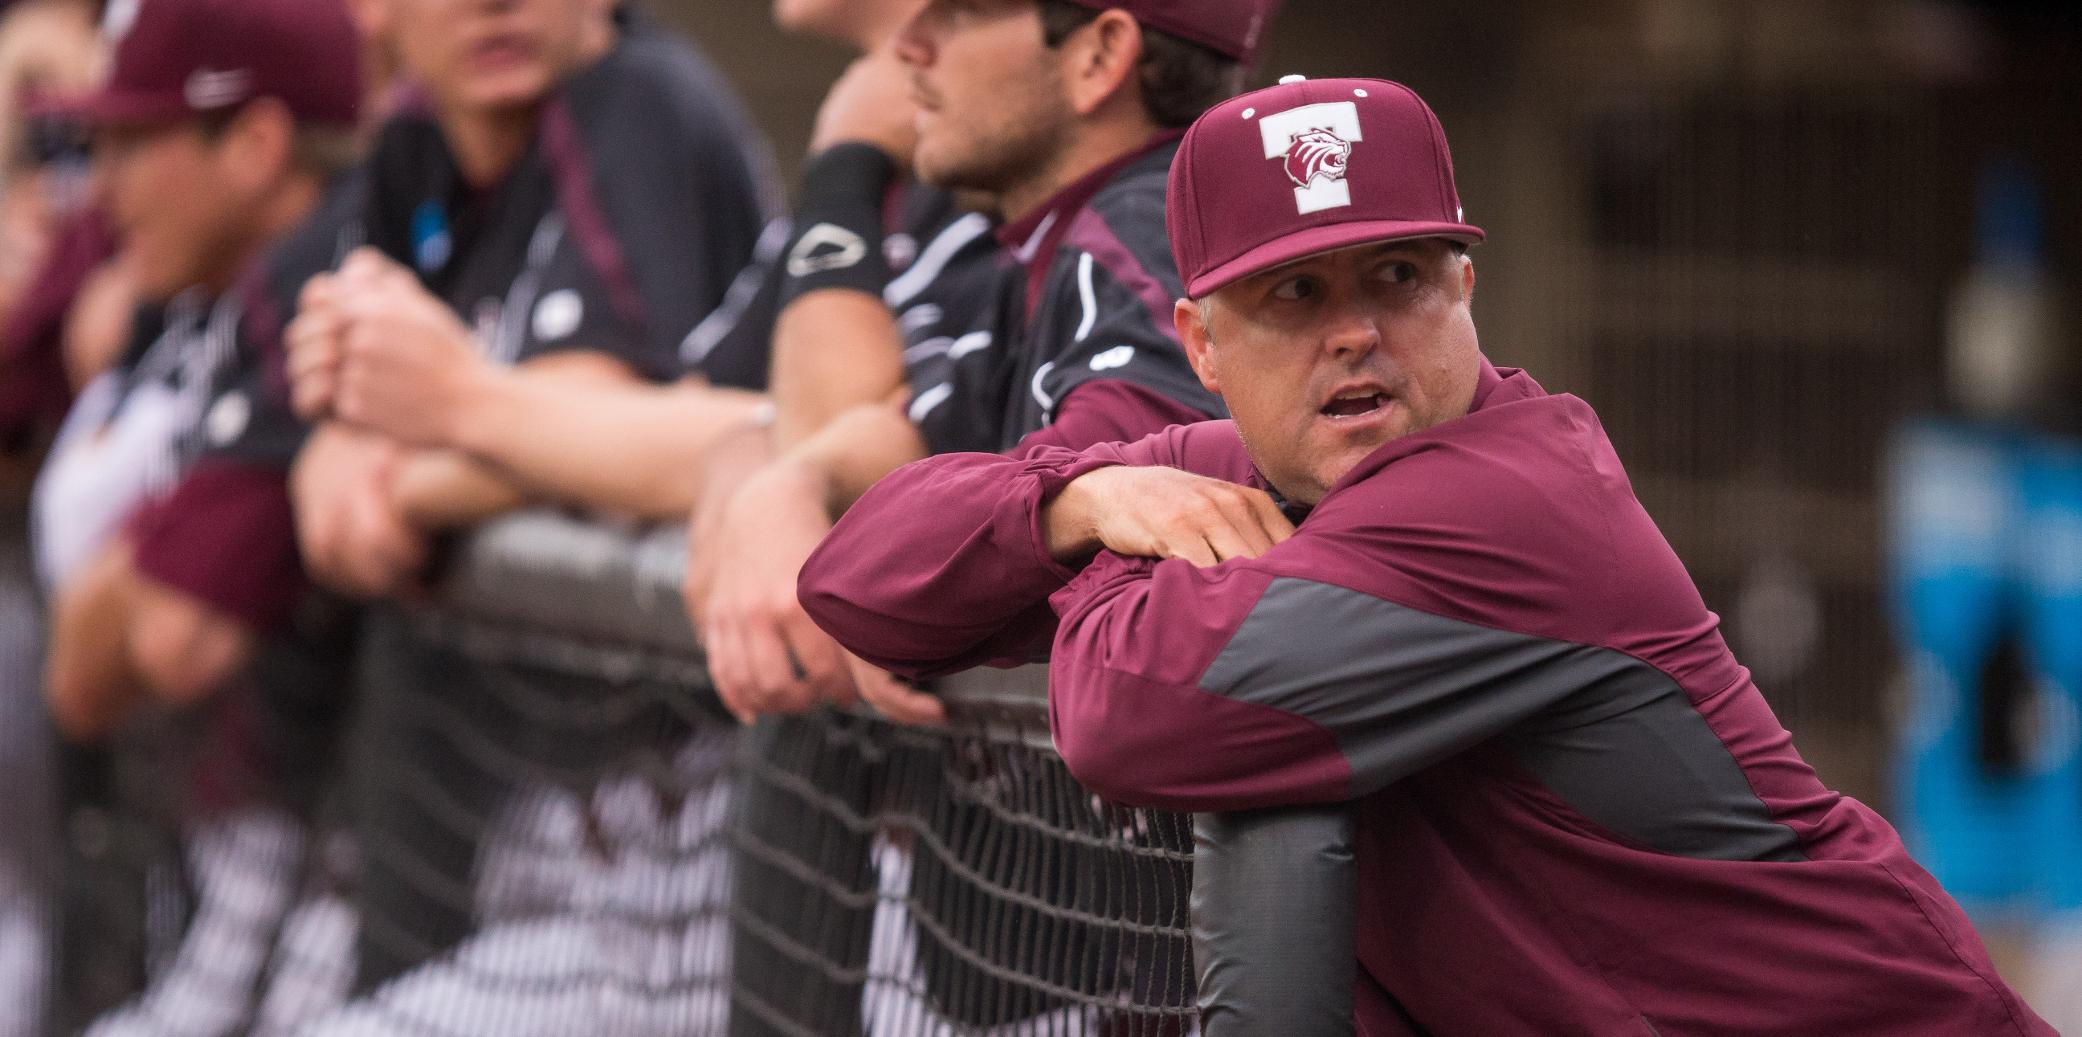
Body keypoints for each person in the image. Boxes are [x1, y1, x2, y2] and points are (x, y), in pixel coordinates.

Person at [801, 76, 2056, 1034]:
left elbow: (1133, 714)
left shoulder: (1509, 499)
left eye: (1396, 275)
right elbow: (854, 585)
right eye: (1294, 293)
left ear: (1465, 288)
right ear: (1198, 340)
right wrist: (1081, 502)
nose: (1354, 333)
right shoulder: (1241, 474)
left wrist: (1115, 553)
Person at [693, 0, 1275, 725]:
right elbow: (925, 429)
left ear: (1097, 58)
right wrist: (791, 479)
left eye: (959, 13)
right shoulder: (1055, 246)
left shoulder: (1144, 239)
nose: (907, 45)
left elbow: (1121, 494)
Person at [284, 0, 770, 599]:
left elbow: (604, 404)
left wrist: (399, 479)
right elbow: (361, 383)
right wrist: (335, 439)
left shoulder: (641, 98)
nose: (494, 4)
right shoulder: (414, 138)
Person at [37, 0, 366, 742]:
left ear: (254, 145)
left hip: (546, 824)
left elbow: (158, 641)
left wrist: (122, 569)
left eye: (132, 143)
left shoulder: (330, 284)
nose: (103, 186)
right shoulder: (198, 296)